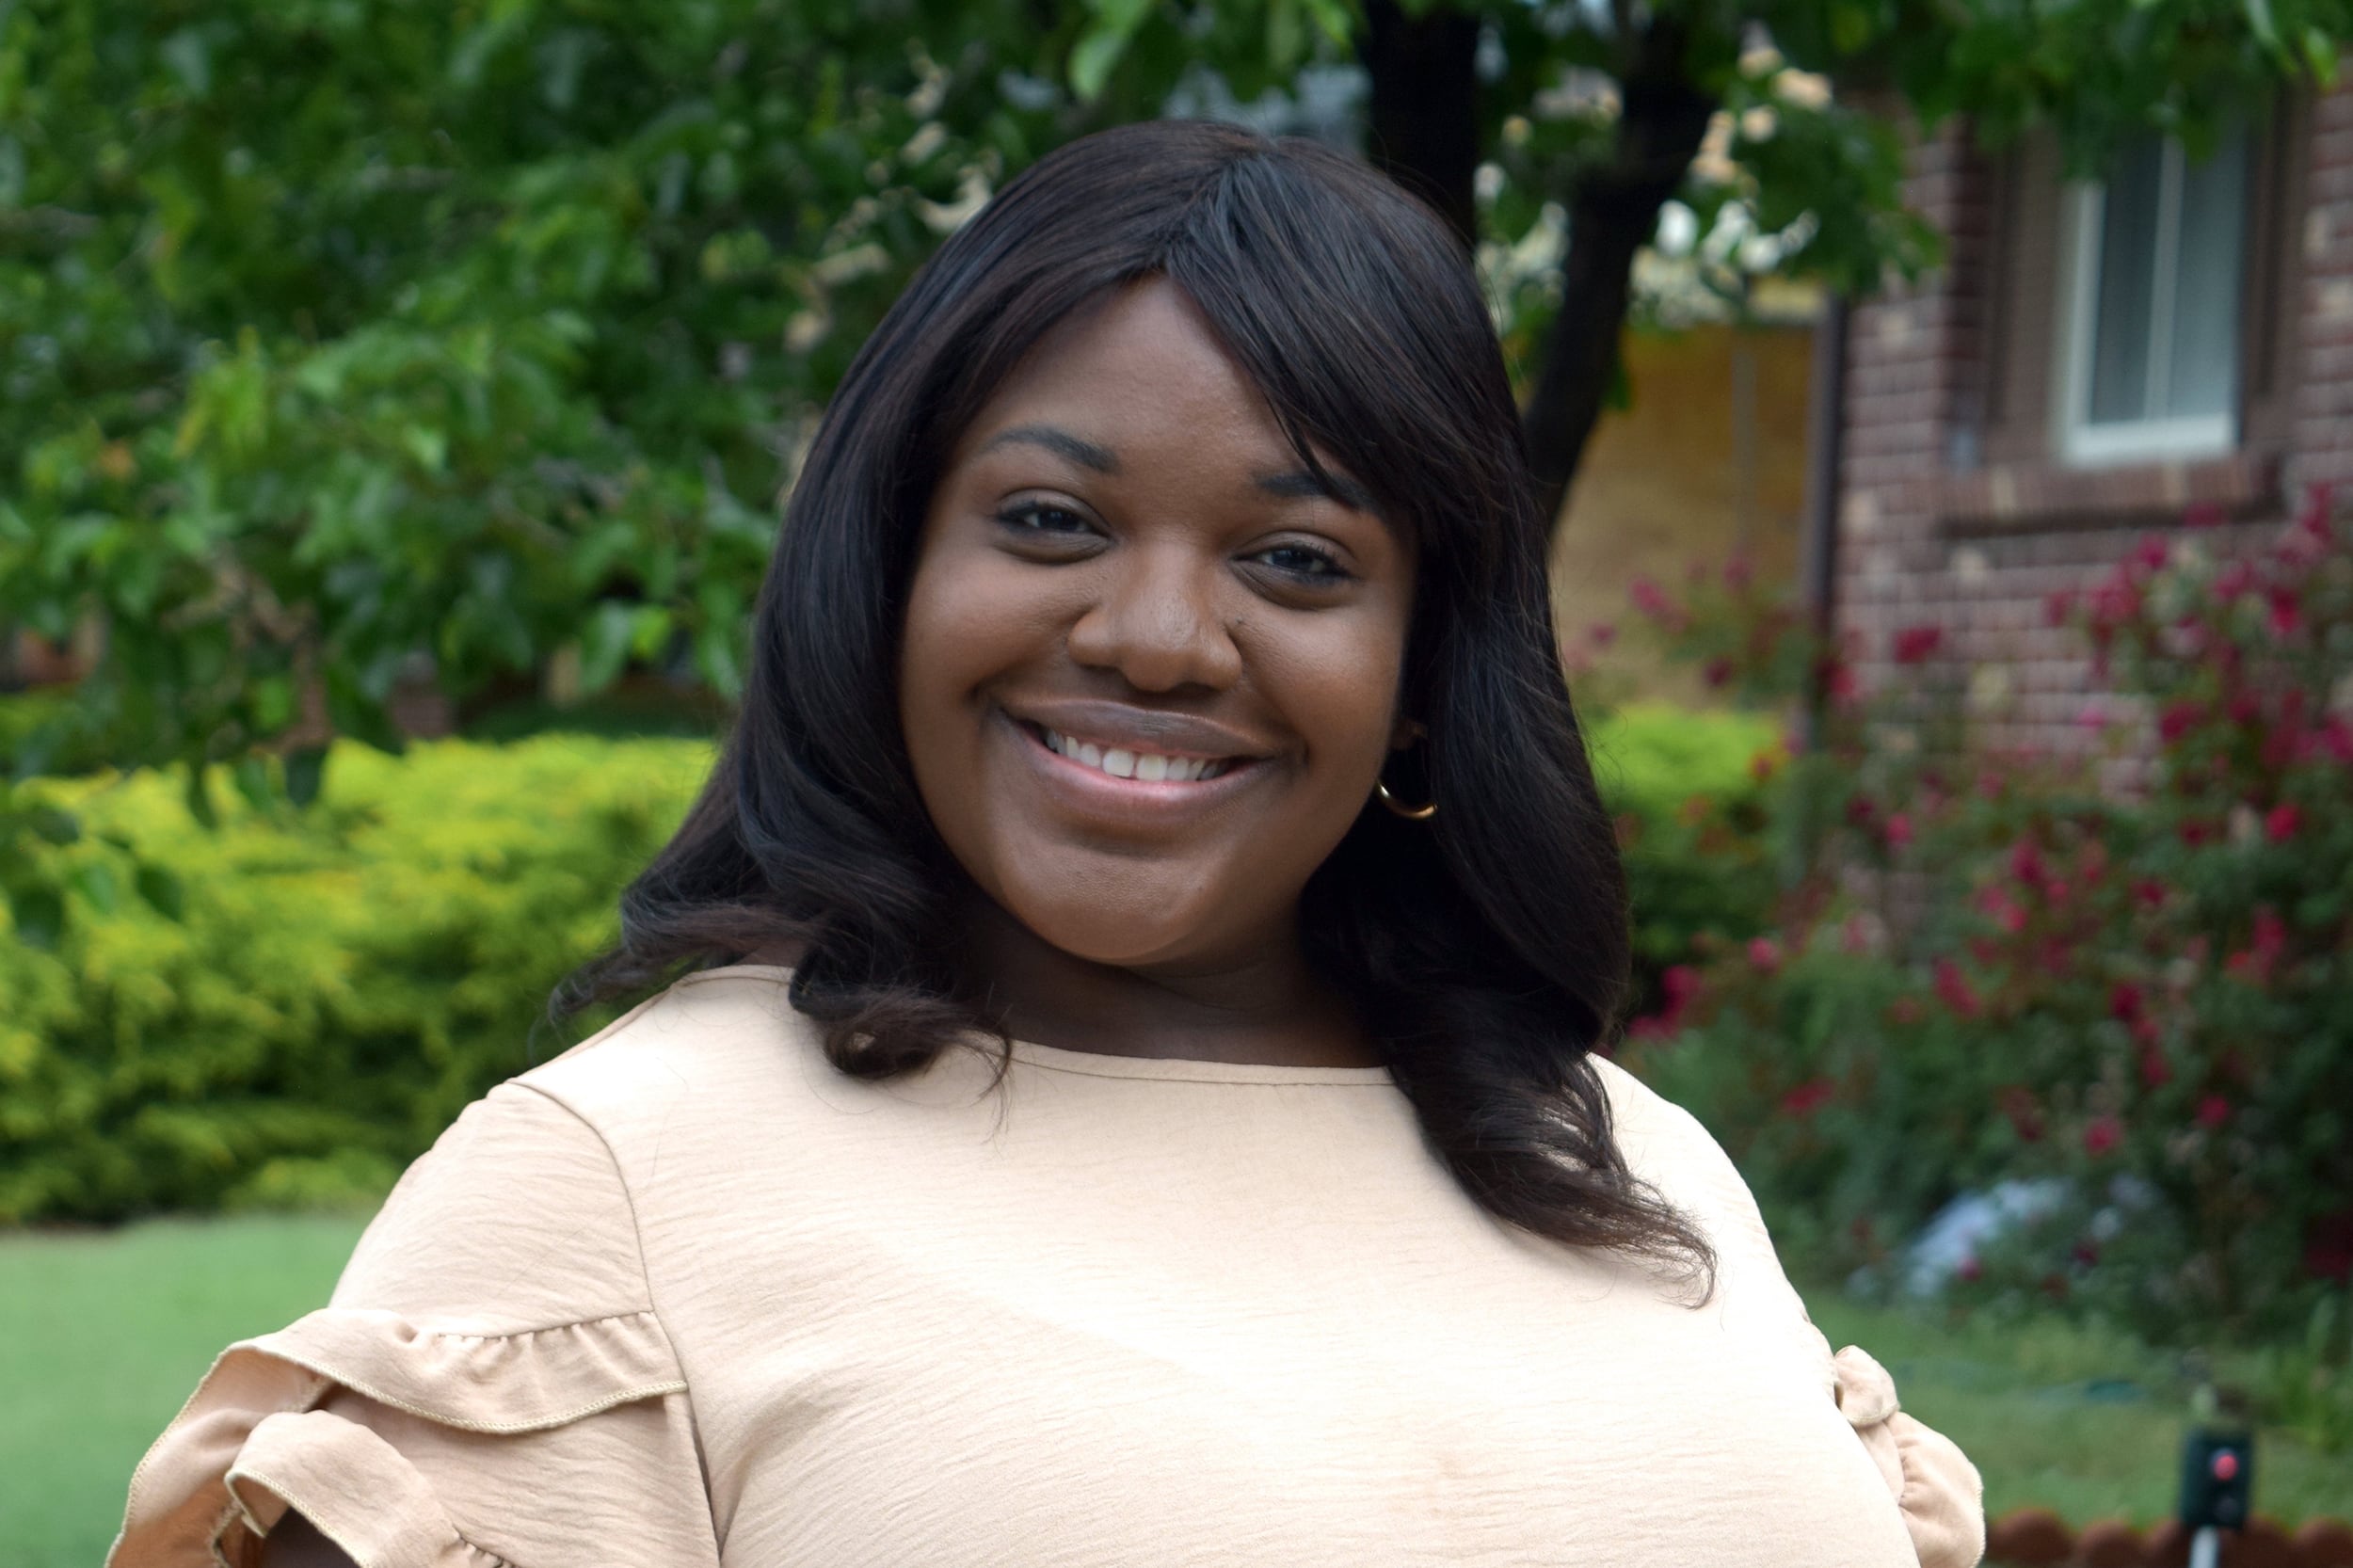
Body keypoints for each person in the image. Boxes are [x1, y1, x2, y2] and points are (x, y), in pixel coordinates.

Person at [109, 119, 1983, 1568]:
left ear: (1421, 665)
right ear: (888, 570)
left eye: (1295, 559)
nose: (1159, 638)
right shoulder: (617, 1196)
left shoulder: (1632, 1159)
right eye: (1047, 521)